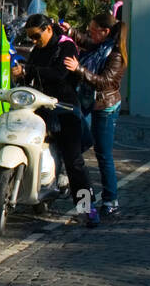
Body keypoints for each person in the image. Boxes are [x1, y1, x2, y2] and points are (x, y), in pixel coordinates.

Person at [13, 13, 95, 226]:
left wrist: (29, 70)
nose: (34, 41)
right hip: (41, 108)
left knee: (74, 161)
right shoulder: (37, 49)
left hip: (65, 108)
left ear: (48, 29)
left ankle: (87, 208)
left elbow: (59, 74)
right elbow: (32, 76)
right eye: (30, 37)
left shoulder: (66, 46)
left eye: (37, 36)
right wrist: (21, 75)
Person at [64, 12, 128, 218]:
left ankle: (111, 199)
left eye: (93, 30)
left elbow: (104, 82)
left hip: (104, 106)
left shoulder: (115, 54)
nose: (90, 34)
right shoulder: (102, 46)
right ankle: (70, 186)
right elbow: (88, 43)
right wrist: (72, 33)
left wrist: (79, 70)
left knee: (103, 153)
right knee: (77, 146)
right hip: (89, 101)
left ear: (105, 31)